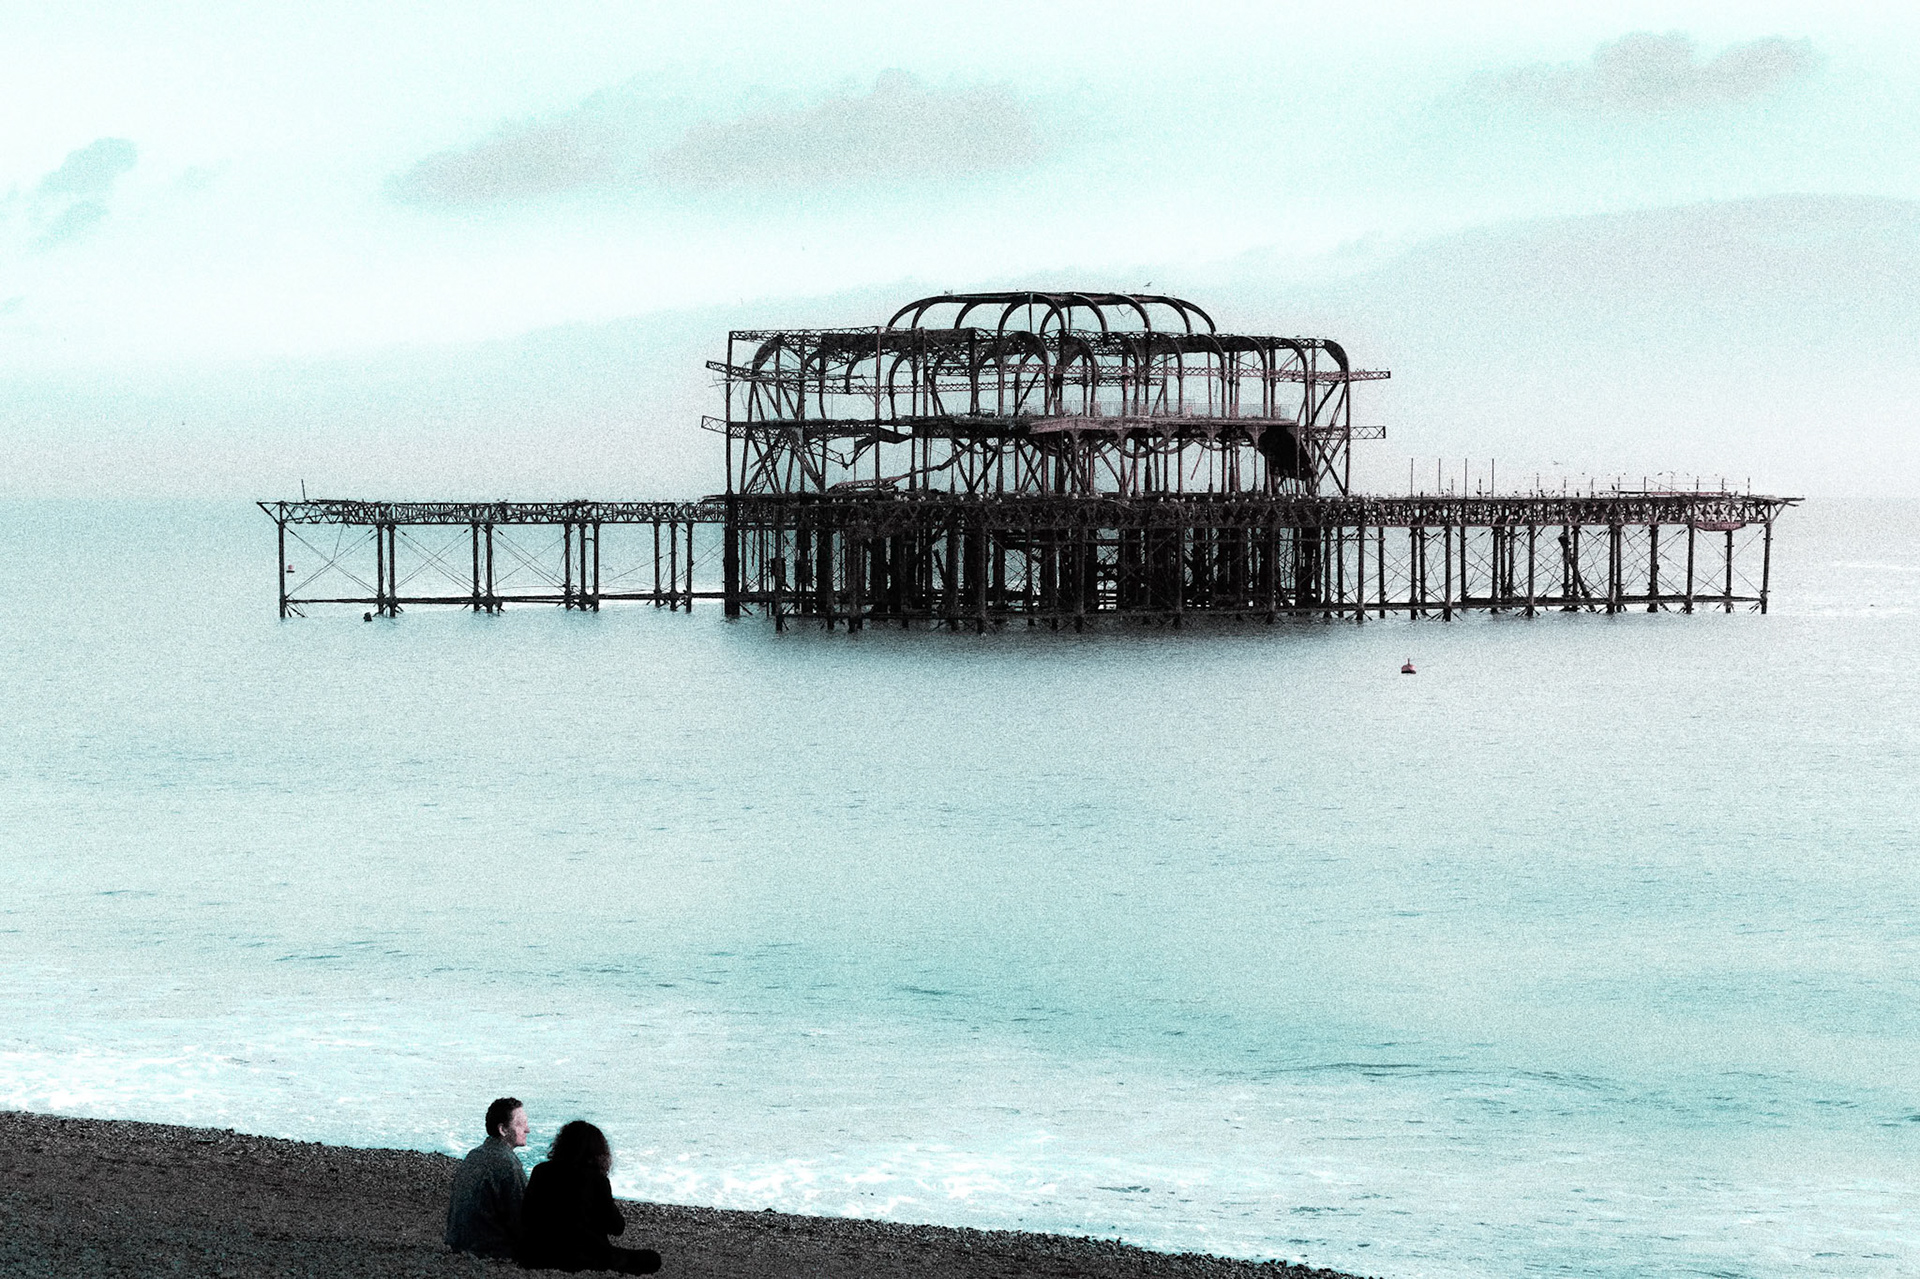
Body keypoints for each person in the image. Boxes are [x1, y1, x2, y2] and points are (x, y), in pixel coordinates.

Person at [519, 1120, 660, 1274]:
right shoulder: (596, 1179)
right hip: (584, 1258)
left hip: (537, 1254)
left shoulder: (540, 1171)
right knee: (652, 1259)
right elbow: (617, 1227)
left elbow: (526, 1216)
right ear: (597, 1151)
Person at [445, 1097, 530, 1258]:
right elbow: (521, 1215)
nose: (527, 1130)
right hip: (488, 1248)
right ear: (503, 1130)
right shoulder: (507, 1162)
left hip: (459, 1241)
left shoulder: (474, 1154)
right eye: (521, 1124)